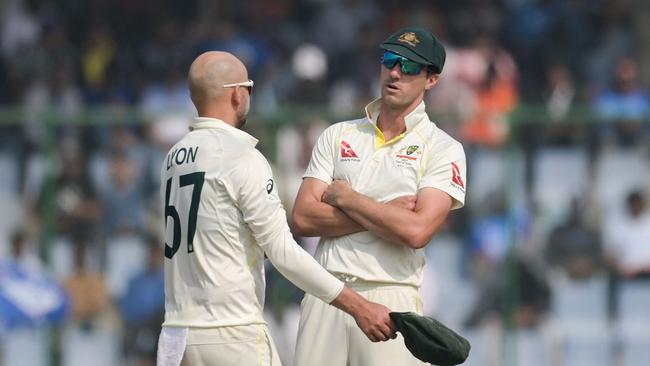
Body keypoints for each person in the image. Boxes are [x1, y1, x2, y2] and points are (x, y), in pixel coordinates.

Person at [156, 51, 395, 366]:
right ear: (237, 94)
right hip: (231, 332)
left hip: (176, 337)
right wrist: (361, 307)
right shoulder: (242, 155)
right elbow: (283, 251)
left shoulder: (173, 157)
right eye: (250, 89)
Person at [291, 26, 467, 366]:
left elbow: (416, 232)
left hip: (391, 297)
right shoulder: (338, 134)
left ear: (432, 80)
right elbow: (302, 218)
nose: (396, 72)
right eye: (390, 60)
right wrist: (386, 213)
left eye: (411, 66)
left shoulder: (444, 149)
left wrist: (349, 199)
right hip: (326, 292)